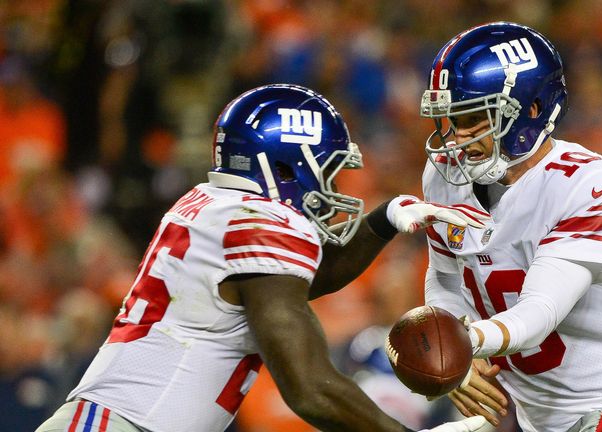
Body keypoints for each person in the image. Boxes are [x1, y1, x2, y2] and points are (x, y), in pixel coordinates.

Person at [35, 84, 494, 432]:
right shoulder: (262, 223)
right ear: (284, 166)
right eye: (325, 171)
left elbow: (296, 286)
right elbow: (310, 389)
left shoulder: (213, 203)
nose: (330, 190)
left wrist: (384, 220)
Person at [416, 22, 602, 432]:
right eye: (451, 118)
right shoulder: (444, 174)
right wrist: (454, 358)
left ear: (531, 110)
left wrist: (459, 344)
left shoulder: (590, 181)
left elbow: (540, 312)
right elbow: (445, 280)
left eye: (474, 118)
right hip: (548, 425)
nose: (456, 138)